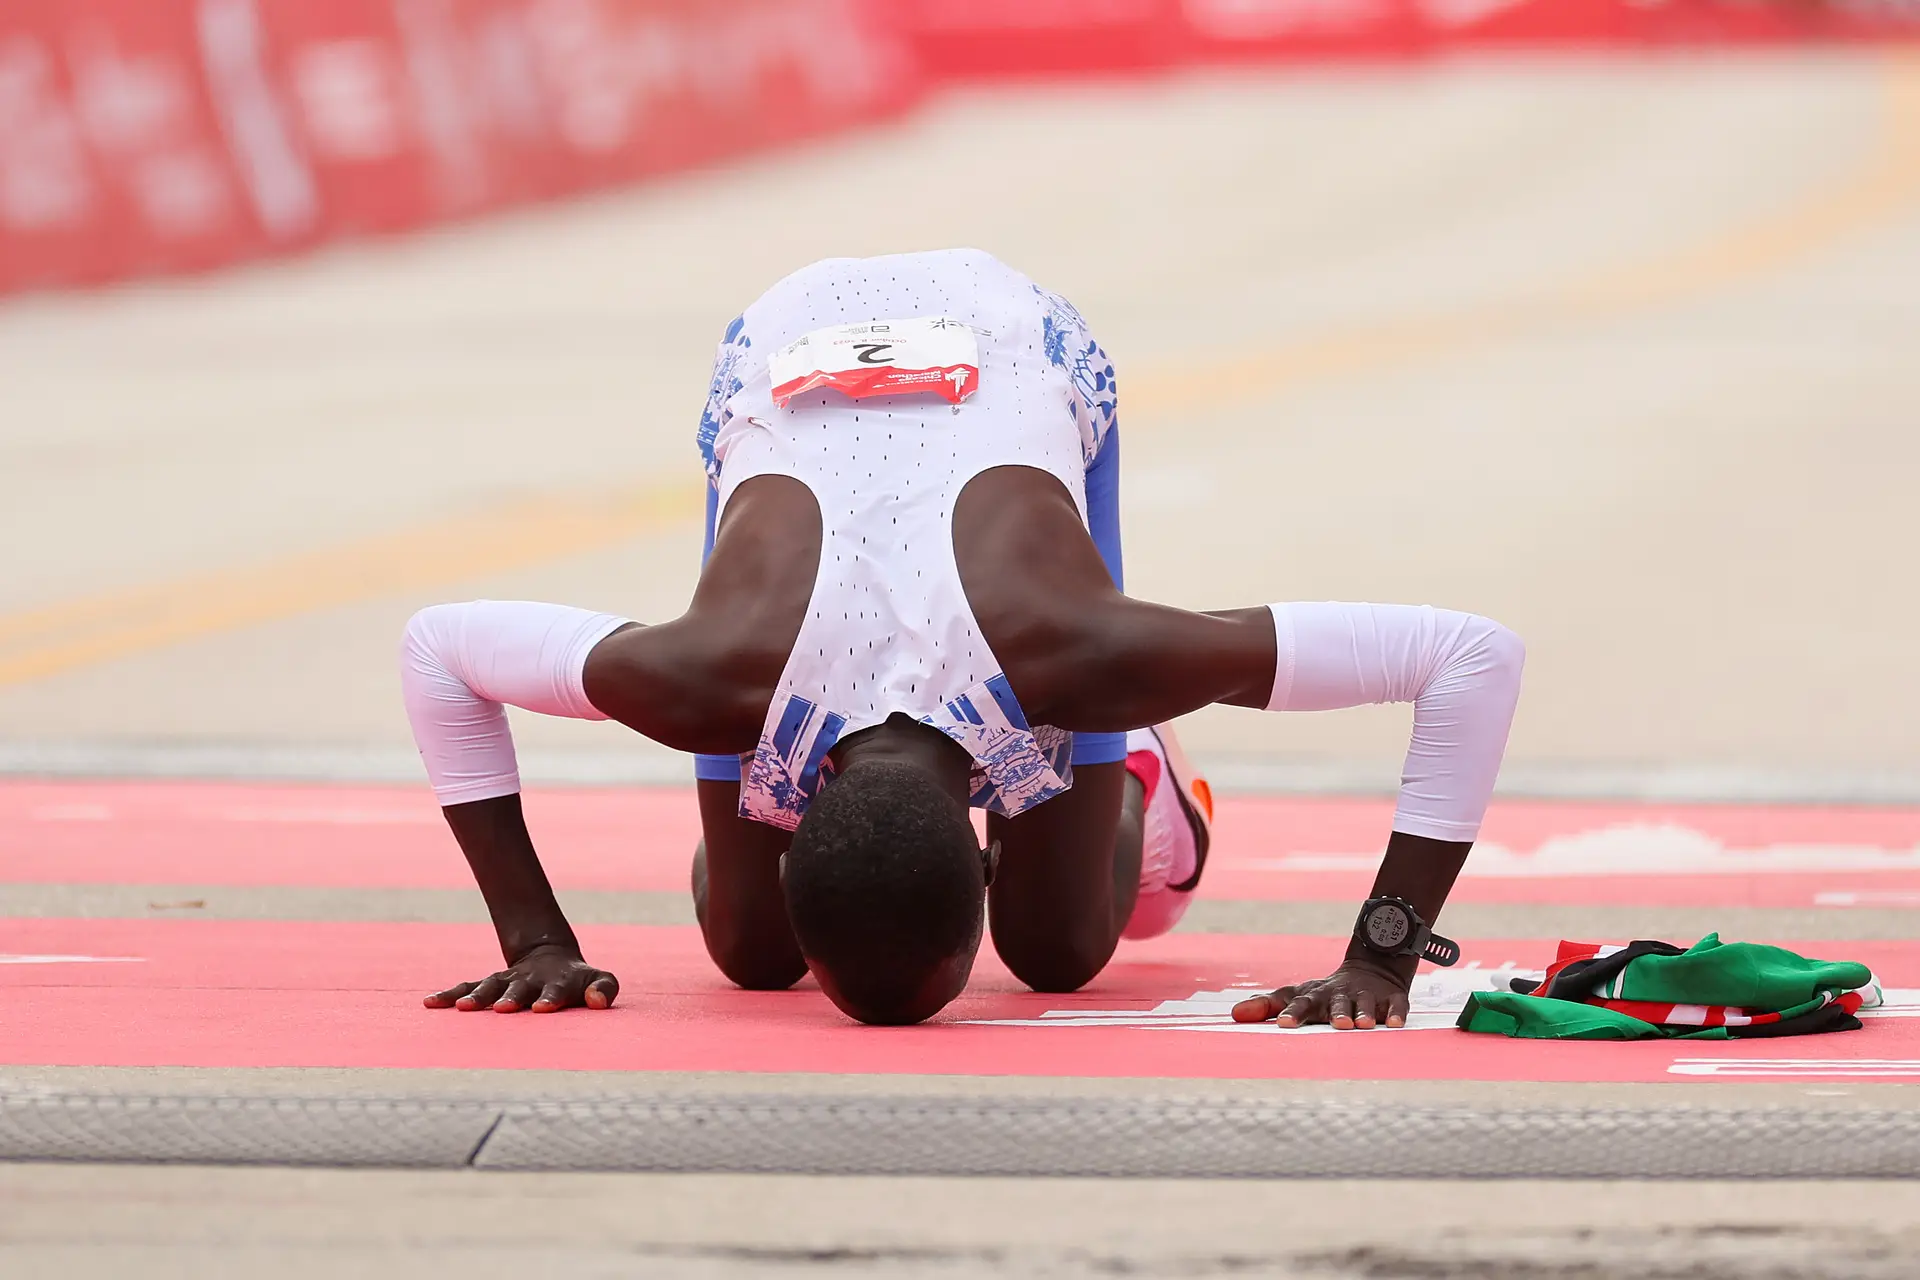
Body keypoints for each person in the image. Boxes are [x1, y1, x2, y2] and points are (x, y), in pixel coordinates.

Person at [400, 248, 1525, 1028]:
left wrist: (1385, 952)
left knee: (1058, 951)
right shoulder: (702, 674)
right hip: (792, 361)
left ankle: (1142, 757)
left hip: (1007, 339)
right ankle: (1068, 783)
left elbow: (1478, 652)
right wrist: (532, 939)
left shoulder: (1083, 652)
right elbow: (437, 645)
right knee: (751, 953)